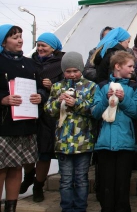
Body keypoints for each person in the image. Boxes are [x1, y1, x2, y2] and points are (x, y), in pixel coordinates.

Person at [44, 51, 97, 212]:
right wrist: (58, 102)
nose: (72, 74)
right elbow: (48, 110)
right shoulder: (57, 87)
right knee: (66, 179)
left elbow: (94, 110)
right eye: (68, 71)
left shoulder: (90, 86)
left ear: (81, 69)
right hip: (63, 142)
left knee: (81, 178)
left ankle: (80, 207)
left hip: (83, 142)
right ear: (63, 71)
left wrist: (76, 103)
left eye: (75, 70)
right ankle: (66, 207)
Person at [92, 51, 137, 212]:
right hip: (105, 144)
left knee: (122, 183)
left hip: (125, 144)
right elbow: (94, 112)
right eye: (129, 66)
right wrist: (106, 100)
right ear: (117, 66)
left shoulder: (135, 87)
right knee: (106, 184)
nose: (132, 69)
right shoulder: (101, 86)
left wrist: (123, 99)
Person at [0, 24, 42, 212]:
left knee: (16, 167)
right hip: (4, 125)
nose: (20, 40)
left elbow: (41, 87)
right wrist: (3, 99)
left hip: (26, 124)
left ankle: (11, 207)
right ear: (3, 42)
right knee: (1, 169)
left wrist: (41, 95)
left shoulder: (30, 63)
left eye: (20, 36)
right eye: (14, 37)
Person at [19, 32, 64, 202]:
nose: (40, 48)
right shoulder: (29, 63)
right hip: (29, 112)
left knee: (44, 152)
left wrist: (52, 87)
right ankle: (29, 175)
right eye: (38, 45)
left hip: (48, 116)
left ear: (53, 47)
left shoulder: (61, 65)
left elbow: (66, 88)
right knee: (27, 151)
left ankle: (38, 185)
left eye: (44, 45)